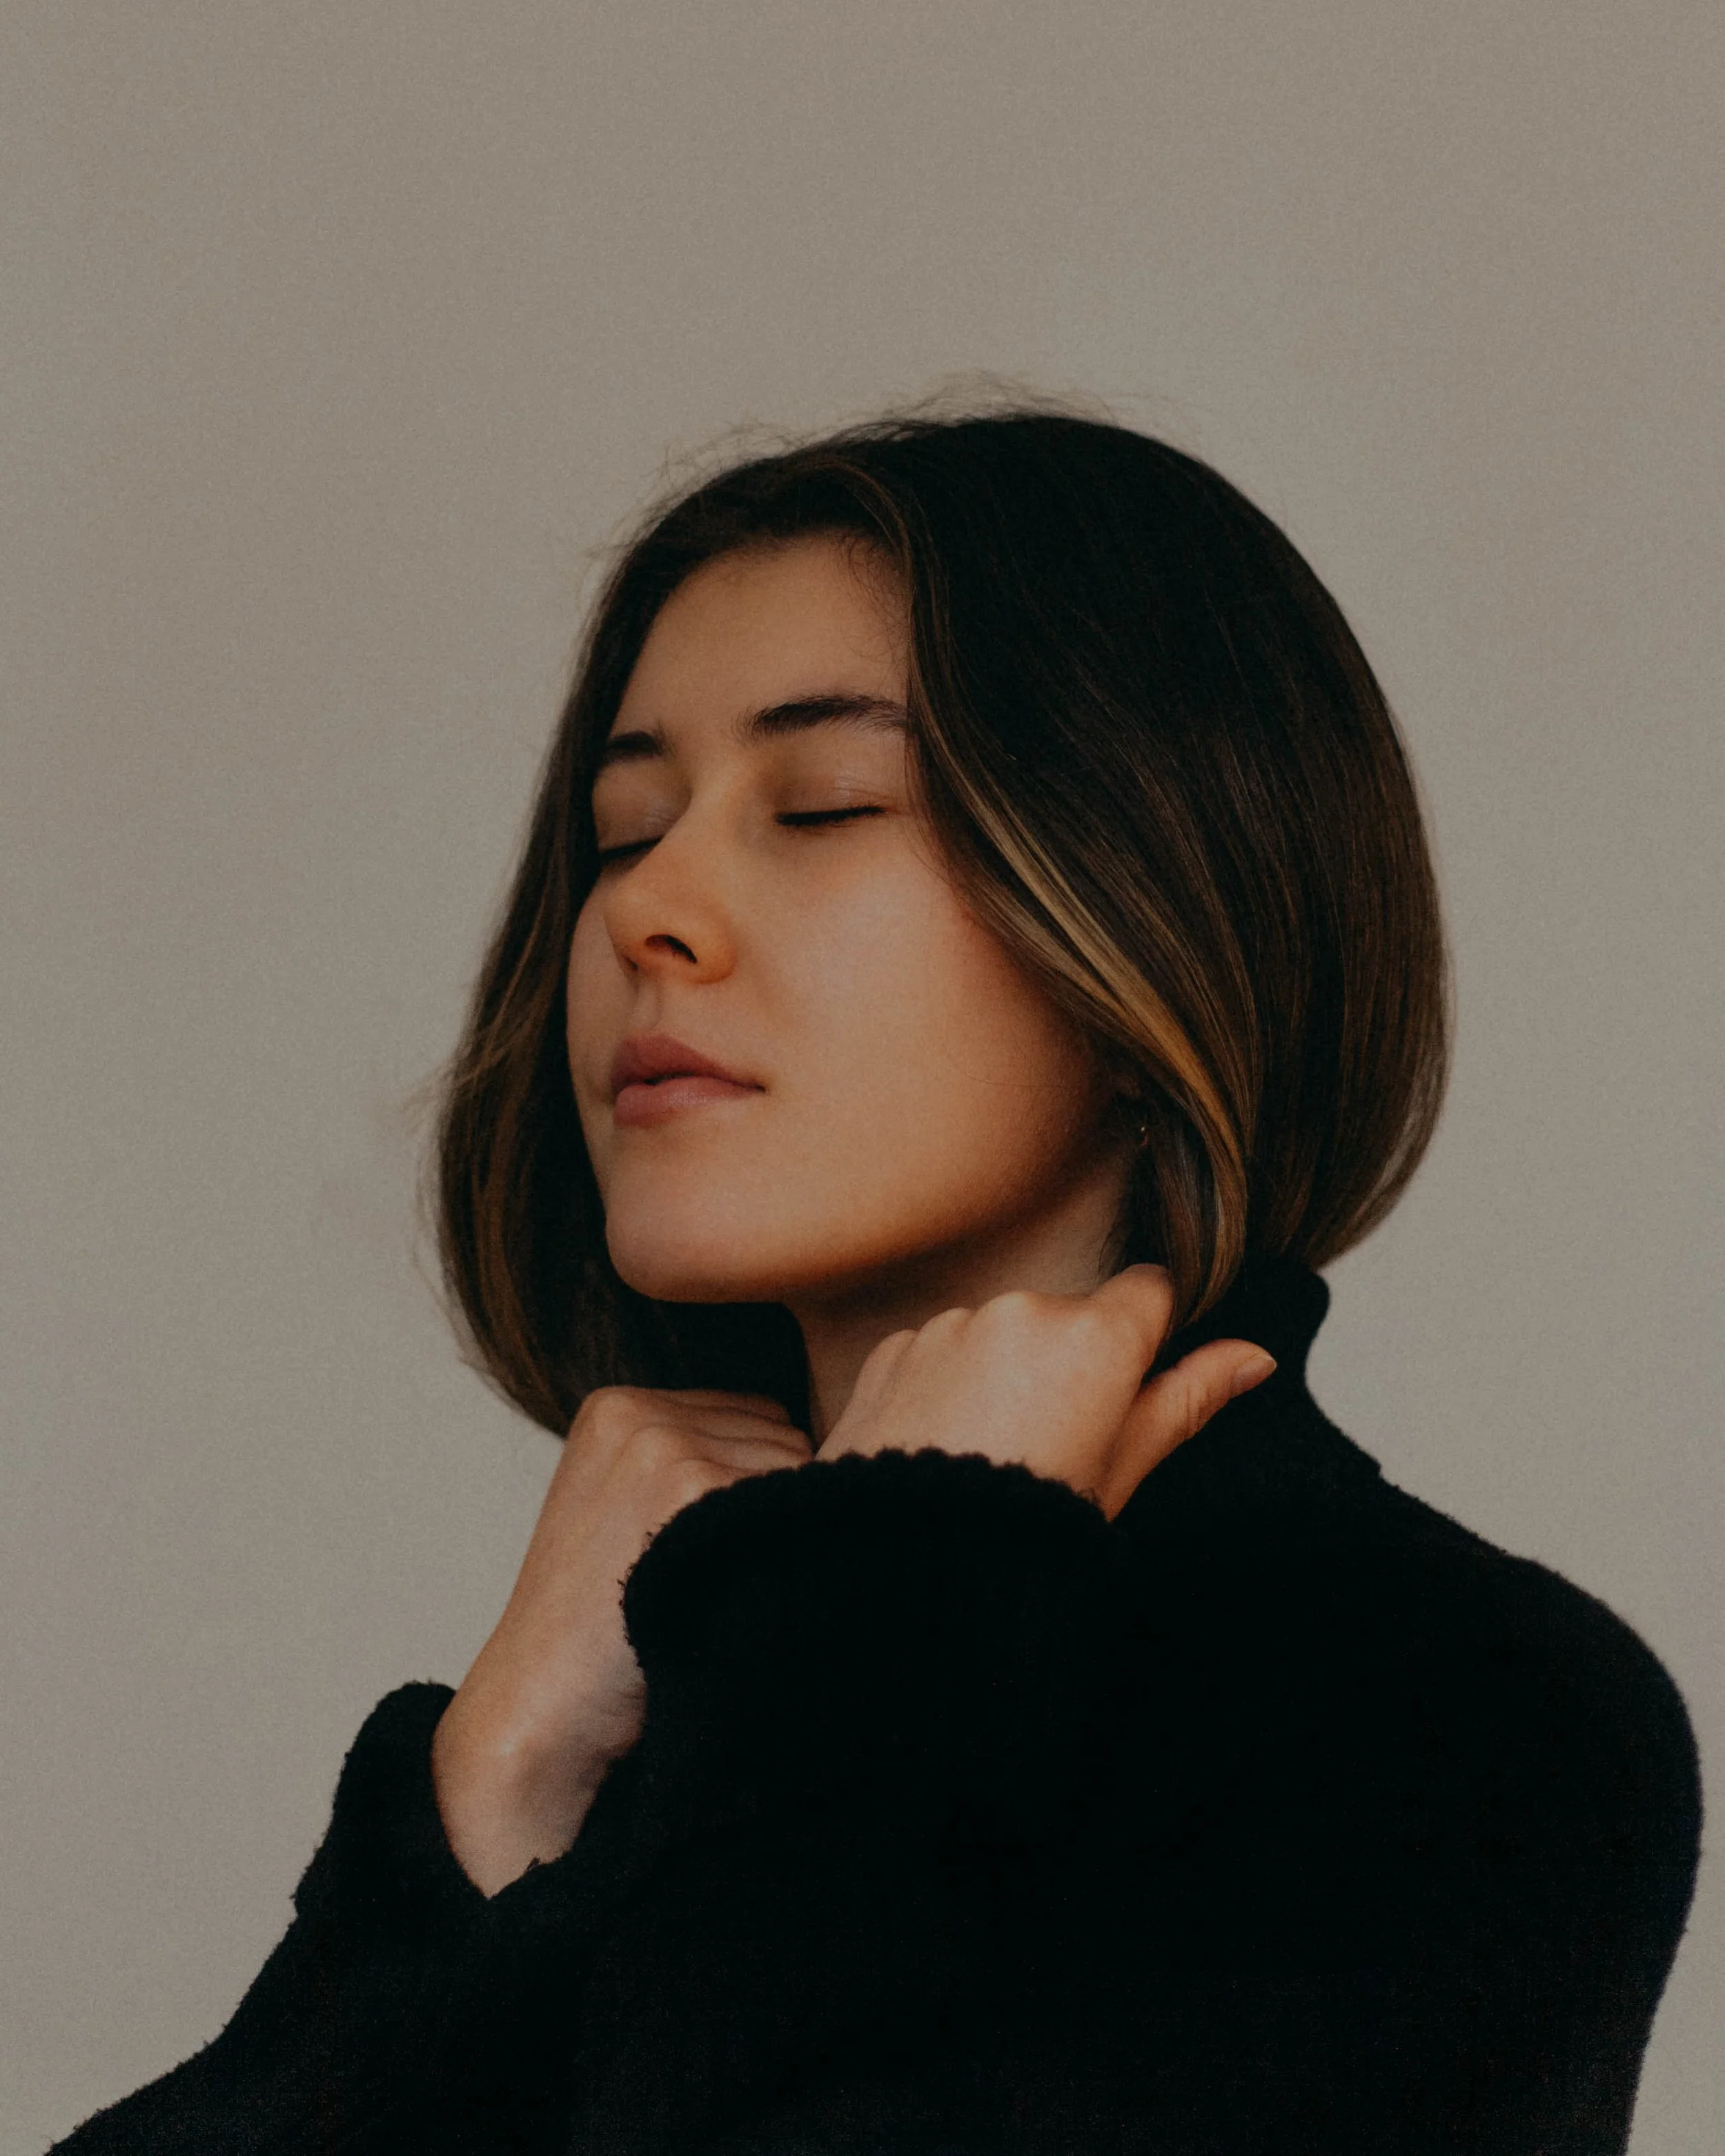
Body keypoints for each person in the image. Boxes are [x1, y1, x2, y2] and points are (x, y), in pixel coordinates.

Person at [55, 404, 1701, 2155]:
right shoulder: (649, 1707)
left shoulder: (1447, 1716)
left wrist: (890, 1572)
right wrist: (487, 1791)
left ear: (1157, 909)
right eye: (623, 827)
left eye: (826, 804)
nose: (647, 910)